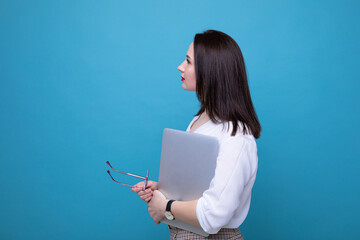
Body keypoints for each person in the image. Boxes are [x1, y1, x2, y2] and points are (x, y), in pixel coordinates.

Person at [131, 29, 261, 239]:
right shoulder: (200, 120)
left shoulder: (237, 137)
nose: (180, 66)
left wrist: (165, 205)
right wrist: (163, 191)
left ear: (211, 71)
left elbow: (213, 215)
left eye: (188, 61)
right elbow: (198, 190)